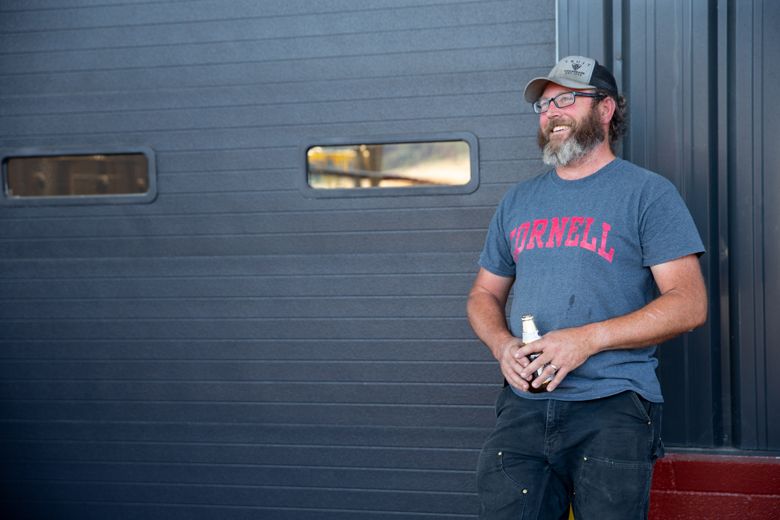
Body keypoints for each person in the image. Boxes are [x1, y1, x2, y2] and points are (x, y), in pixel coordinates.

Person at [466, 55, 708, 519]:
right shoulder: (519, 200)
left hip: (613, 407)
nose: (551, 112)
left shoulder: (647, 193)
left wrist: (586, 340)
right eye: (544, 104)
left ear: (605, 109)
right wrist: (500, 345)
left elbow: (689, 304)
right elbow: (483, 295)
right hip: (523, 406)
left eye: (567, 99)